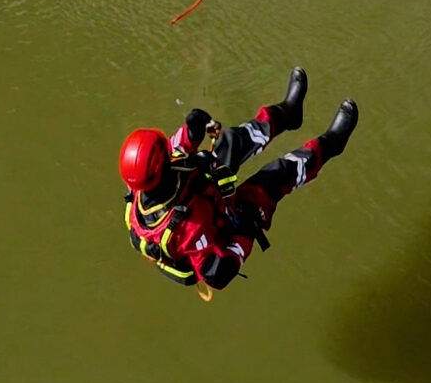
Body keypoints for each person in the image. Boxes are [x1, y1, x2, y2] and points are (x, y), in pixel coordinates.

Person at [120, 67, 358, 296]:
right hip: (228, 219)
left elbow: (173, 149)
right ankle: (331, 144)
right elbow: (218, 274)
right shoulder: (189, 230)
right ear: (161, 168)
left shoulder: (143, 180)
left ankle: (288, 113)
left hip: (203, 186)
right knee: (277, 175)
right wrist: (245, 229)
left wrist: (190, 133)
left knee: (233, 140)